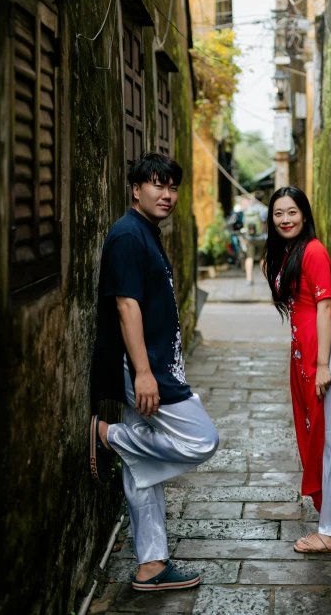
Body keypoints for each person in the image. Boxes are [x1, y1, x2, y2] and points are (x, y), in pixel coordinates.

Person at [90, 153, 219, 591]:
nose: (166, 195)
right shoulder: (128, 235)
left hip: (156, 364)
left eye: (172, 187)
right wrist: (143, 373)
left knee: (141, 468)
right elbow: (126, 304)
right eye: (156, 185)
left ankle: (150, 566)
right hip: (148, 369)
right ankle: (107, 436)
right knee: (202, 439)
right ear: (135, 189)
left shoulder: (145, 232)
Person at [263, 186, 331, 553]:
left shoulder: (314, 250)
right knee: (325, 440)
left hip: (327, 354)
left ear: (304, 214)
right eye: (278, 214)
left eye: (292, 212)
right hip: (307, 352)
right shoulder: (290, 252)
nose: (285, 219)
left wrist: (322, 364)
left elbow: (324, 306)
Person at [242, 190, 268, 285]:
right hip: (262, 238)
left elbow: (244, 224)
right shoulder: (265, 209)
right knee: (263, 257)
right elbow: (265, 224)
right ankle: (264, 277)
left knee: (249, 257)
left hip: (250, 238)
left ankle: (249, 279)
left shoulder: (248, 210)